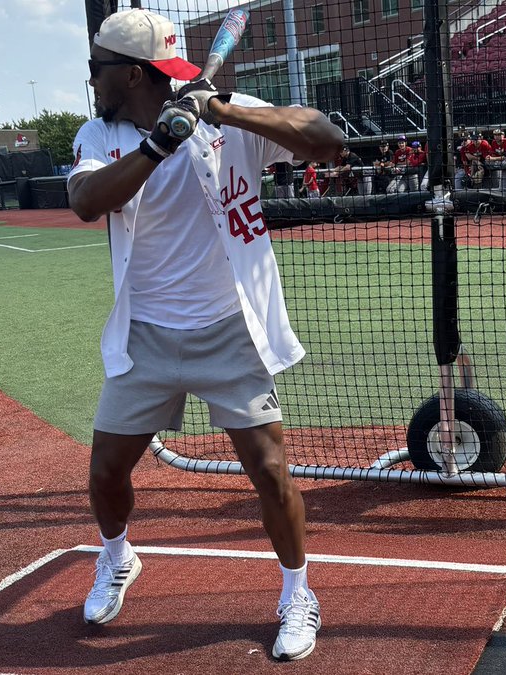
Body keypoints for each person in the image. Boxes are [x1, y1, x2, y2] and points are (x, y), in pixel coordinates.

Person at [67, 7, 341, 661]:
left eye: (98, 68)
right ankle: (117, 557)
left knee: (271, 471)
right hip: (147, 335)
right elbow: (86, 201)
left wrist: (224, 112)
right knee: (106, 472)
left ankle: (298, 593)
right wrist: (158, 143)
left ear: (131, 74)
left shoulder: (224, 110)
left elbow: (327, 139)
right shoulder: (100, 132)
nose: (92, 79)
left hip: (229, 329)